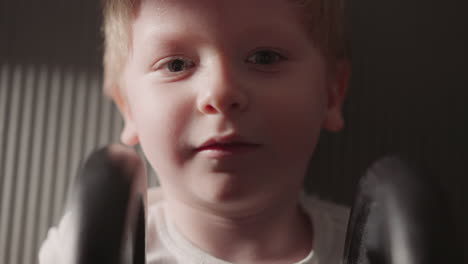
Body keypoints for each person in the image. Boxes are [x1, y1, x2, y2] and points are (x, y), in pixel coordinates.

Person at [39, 0, 351, 263]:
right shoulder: (82, 247)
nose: (220, 93)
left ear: (332, 93)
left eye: (264, 58)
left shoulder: (376, 247)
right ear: (127, 107)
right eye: (175, 65)